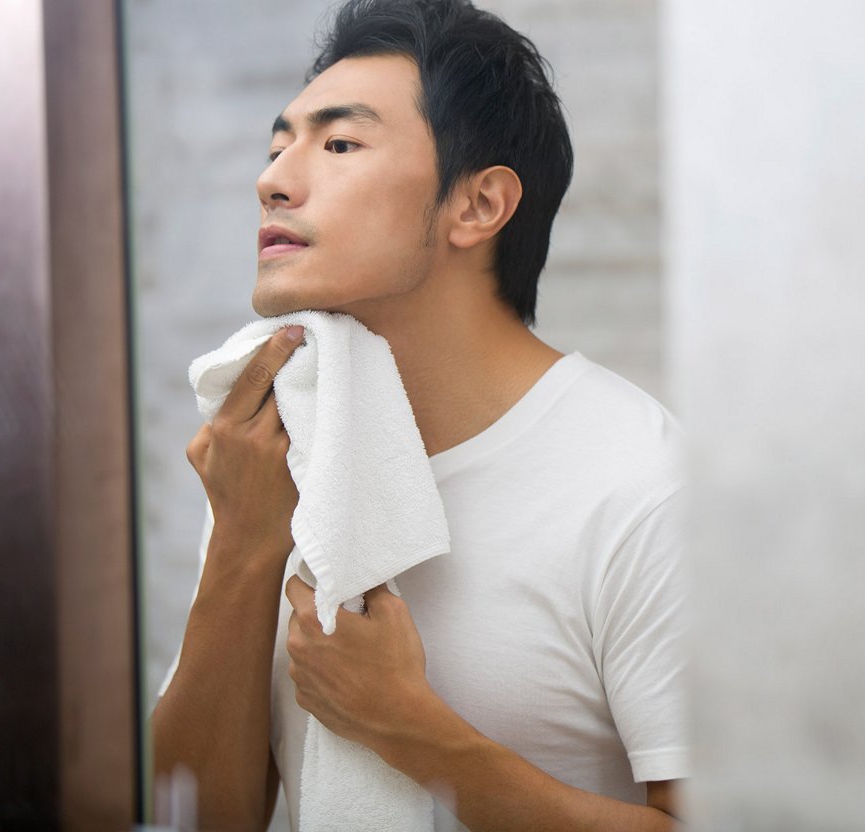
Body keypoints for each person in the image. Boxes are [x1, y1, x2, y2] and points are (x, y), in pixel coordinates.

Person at [150, 0, 687, 829]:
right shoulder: (281, 457)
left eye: (338, 144)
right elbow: (190, 816)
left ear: (478, 206)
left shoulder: (640, 482)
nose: (272, 179)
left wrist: (412, 730)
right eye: (277, 145)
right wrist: (241, 547)